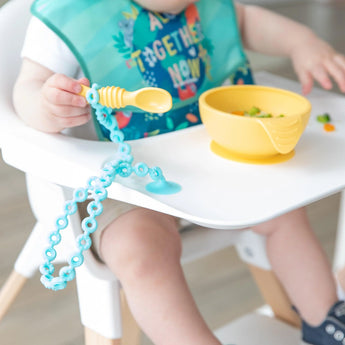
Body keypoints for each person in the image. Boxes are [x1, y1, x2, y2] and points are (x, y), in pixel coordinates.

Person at [12, 0, 345, 344]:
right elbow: (26, 90)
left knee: (284, 208)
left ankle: (325, 316)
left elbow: (244, 20)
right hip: (123, 183)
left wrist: (302, 42)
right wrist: (48, 106)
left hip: (209, 163)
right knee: (139, 252)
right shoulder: (73, 15)